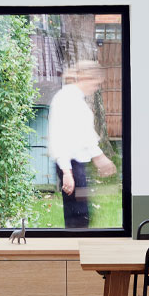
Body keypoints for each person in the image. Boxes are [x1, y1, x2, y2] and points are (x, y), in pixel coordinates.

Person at [48, 60, 117, 228]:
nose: (96, 88)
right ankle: (73, 252)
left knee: (81, 215)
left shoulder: (75, 98)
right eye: (95, 83)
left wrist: (98, 157)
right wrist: (67, 172)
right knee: (77, 219)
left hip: (76, 165)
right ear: (85, 78)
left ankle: (76, 249)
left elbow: (84, 134)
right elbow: (60, 138)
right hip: (70, 165)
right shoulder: (67, 99)